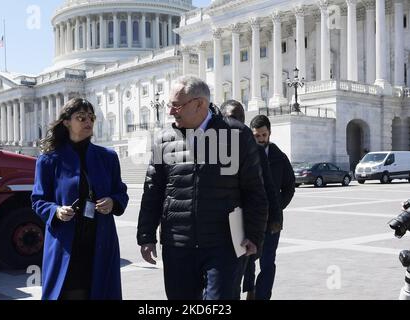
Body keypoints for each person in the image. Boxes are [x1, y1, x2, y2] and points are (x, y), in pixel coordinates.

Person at [137, 76, 269, 300]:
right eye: (170, 105)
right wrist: (146, 234)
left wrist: (254, 235)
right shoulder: (163, 140)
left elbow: (254, 190)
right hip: (178, 245)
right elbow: (153, 191)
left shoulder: (236, 135)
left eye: (176, 106)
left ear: (199, 104)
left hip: (224, 245)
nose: (171, 112)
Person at [31, 98, 129, 300]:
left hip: (100, 241)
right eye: (81, 118)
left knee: (101, 293)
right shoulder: (49, 159)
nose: (88, 122)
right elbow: (38, 200)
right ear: (67, 122)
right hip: (65, 245)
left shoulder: (108, 157)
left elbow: (121, 193)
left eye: (91, 118)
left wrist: (113, 201)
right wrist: (55, 211)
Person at [220, 100, 281, 300]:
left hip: (245, 222)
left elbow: (268, 190)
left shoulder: (255, 150)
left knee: (240, 270)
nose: (234, 124)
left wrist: (274, 218)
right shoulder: (210, 147)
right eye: (229, 118)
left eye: (238, 119)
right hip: (217, 225)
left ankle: (250, 293)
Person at [244, 114, 295, 300]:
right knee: (248, 260)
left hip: (272, 221)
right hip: (249, 219)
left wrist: (276, 208)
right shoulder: (245, 155)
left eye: (264, 135)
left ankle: (262, 296)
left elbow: (289, 186)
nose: (261, 139)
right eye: (257, 136)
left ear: (270, 134)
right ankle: (249, 290)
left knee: (267, 262)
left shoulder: (279, 157)